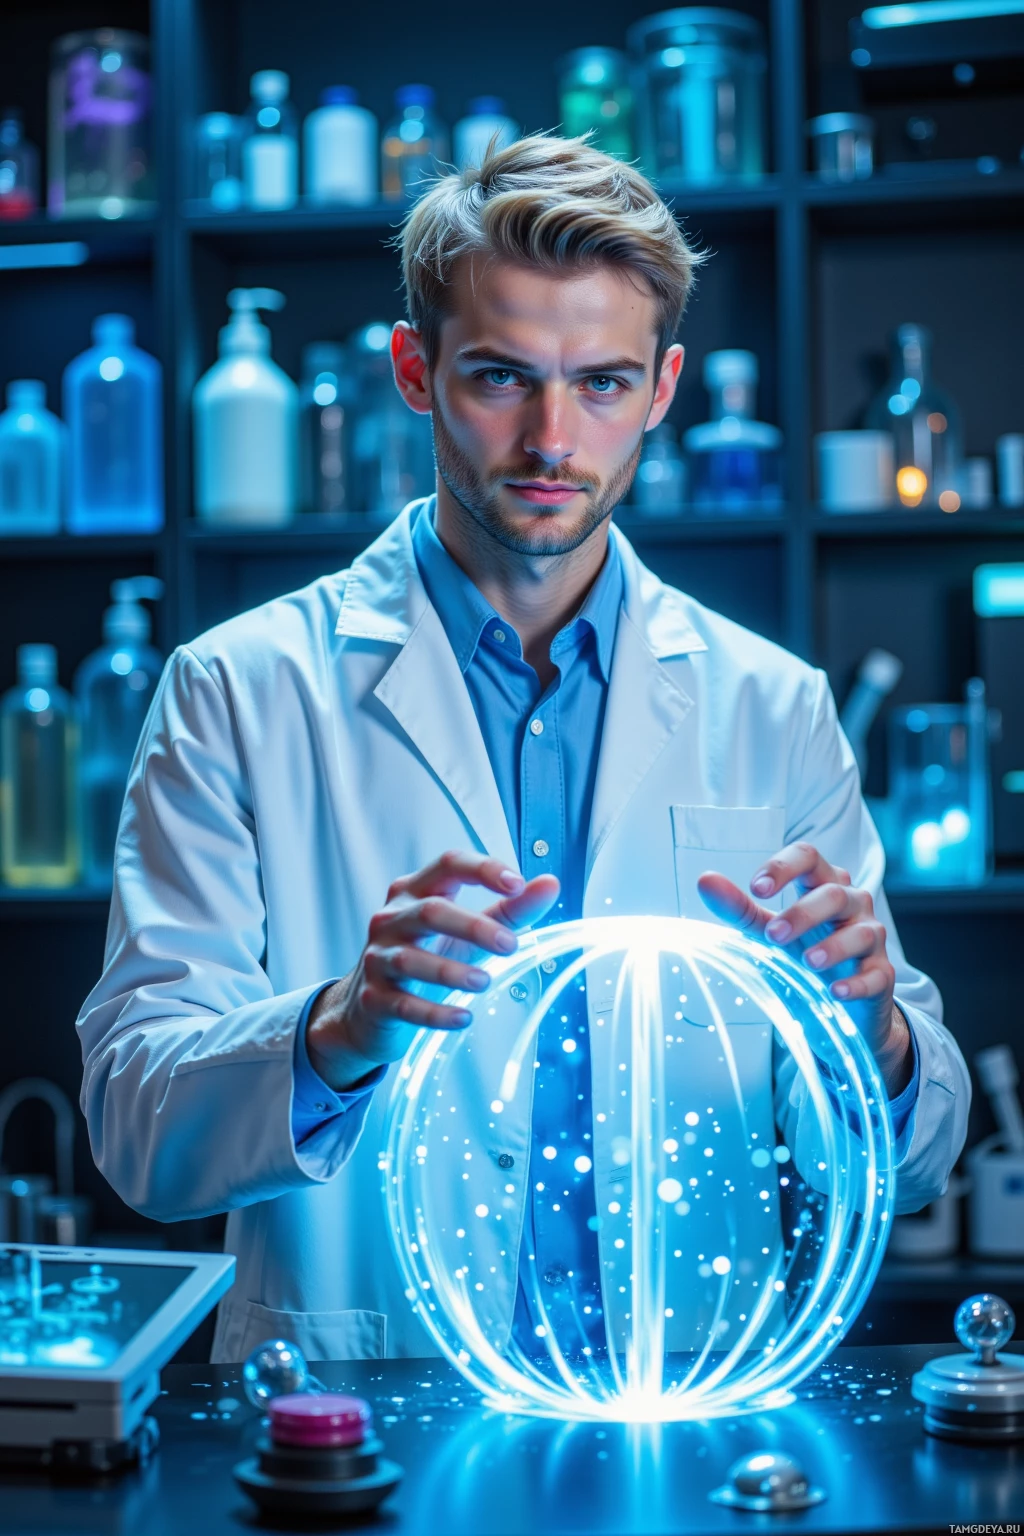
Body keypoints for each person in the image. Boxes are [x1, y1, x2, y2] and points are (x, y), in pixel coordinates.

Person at [78, 135, 969, 1365]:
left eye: (602, 383)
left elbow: (913, 1162)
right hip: (365, 1397)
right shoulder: (237, 689)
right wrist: (339, 1025)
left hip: (688, 1393)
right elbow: (136, 1130)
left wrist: (869, 1030)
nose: (554, 438)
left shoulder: (773, 706)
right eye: (501, 377)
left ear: (662, 392)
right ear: (414, 369)